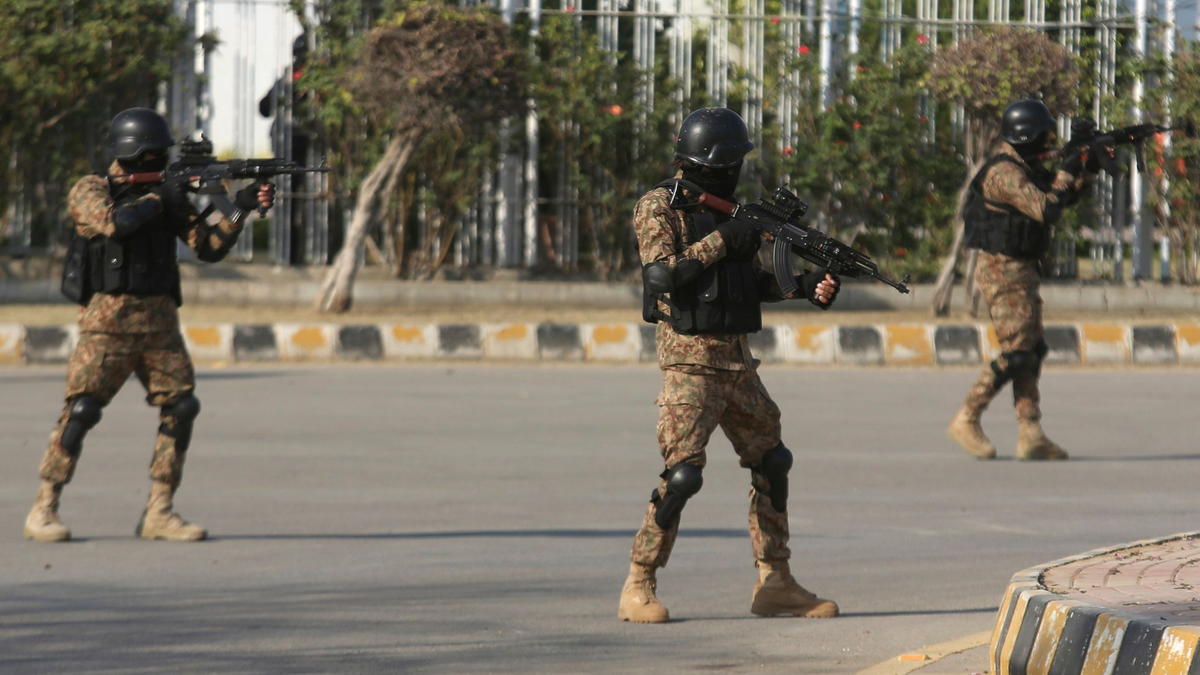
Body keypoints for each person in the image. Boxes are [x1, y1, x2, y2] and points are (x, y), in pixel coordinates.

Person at [618, 107, 841, 623]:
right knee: (682, 477)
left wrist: (801, 287)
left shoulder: (730, 210)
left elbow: (745, 283)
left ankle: (775, 581)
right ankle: (639, 582)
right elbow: (661, 277)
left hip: (738, 363)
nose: (738, 170)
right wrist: (726, 239)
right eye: (733, 161)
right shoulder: (659, 206)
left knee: (772, 460)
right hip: (691, 364)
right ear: (714, 162)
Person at [24, 107, 276, 542]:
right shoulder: (91, 189)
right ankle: (44, 508)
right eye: (155, 156)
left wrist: (239, 209)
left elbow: (208, 246)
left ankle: (160, 510)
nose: (161, 163)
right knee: (81, 411)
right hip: (108, 325)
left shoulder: (166, 195)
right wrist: (163, 195)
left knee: (182, 407)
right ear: (134, 153)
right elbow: (115, 224)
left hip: (160, 323)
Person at [947, 99, 1093, 462]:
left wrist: (1086, 169)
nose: (1048, 143)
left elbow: (1062, 199)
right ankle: (967, 417)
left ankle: (1031, 433)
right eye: (1044, 136)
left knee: (1032, 351)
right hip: (1002, 270)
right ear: (1028, 134)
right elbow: (1046, 209)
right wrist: (1068, 166)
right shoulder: (1004, 173)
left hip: (1022, 268)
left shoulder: (1024, 165)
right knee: (1017, 353)